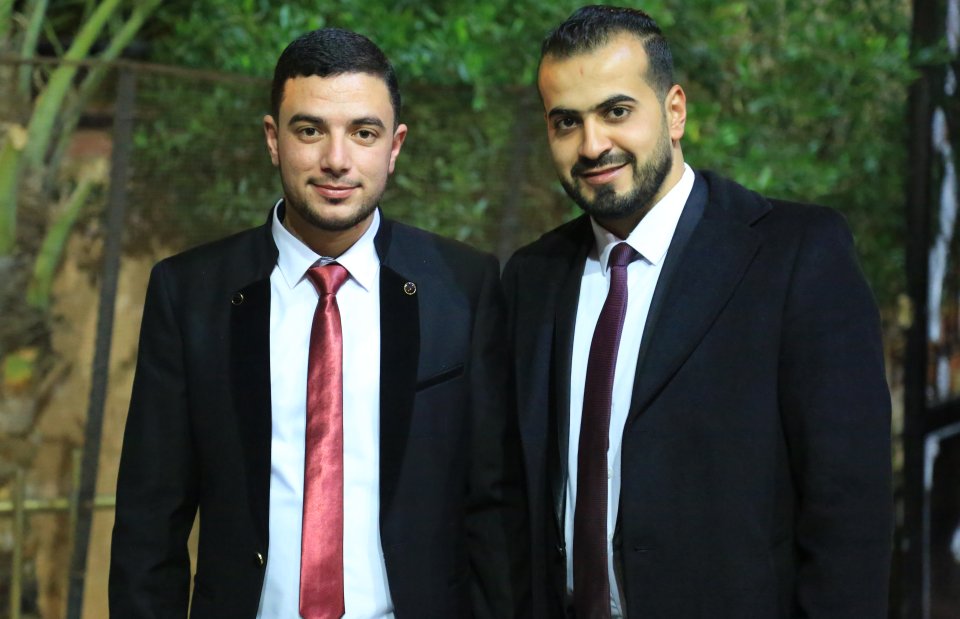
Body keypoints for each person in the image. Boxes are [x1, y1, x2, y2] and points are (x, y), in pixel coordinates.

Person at [110, 27, 527, 618]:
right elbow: (150, 519)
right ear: (273, 139)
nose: (336, 159)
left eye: (363, 133)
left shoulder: (463, 287)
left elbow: (494, 505)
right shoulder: (190, 293)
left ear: (395, 146)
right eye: (310, 130)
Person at [503, 6, 892, 618]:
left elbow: (850, 508)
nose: (593, 144)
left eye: (616, 111)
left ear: (675, 110)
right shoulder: (532, 277)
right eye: (567, 122)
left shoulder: (797, 254)